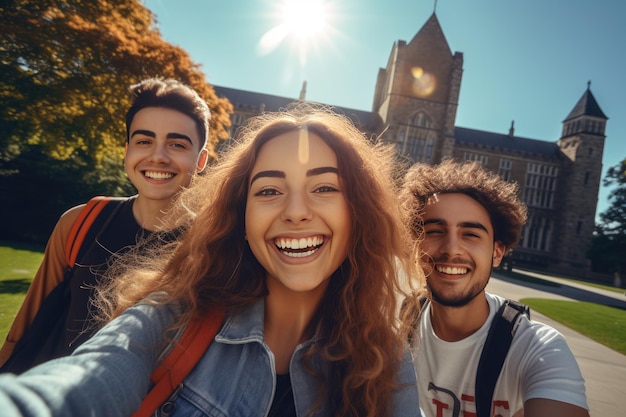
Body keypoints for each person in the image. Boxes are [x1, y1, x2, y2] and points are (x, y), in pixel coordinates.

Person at [0, 104, 424, 417]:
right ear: (241, 218)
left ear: (359, 214)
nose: (296, 211)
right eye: (268, 191)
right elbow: (79, 385)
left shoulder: (382, 358)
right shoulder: (170, 321)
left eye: (325, 188)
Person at [0, 78, 210, 370]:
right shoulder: (80, 223)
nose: (158, 156)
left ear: (201, 161)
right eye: (144, 141)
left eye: (177, 144)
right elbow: (22, 331)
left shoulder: (211, 248)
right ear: (127, 151)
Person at [400, 159, 590, 417]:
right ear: (415, 245)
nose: (451, 248)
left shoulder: (537, 347)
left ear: (497, 252)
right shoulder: (398, 325)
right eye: (434, 231)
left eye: (471, 234)